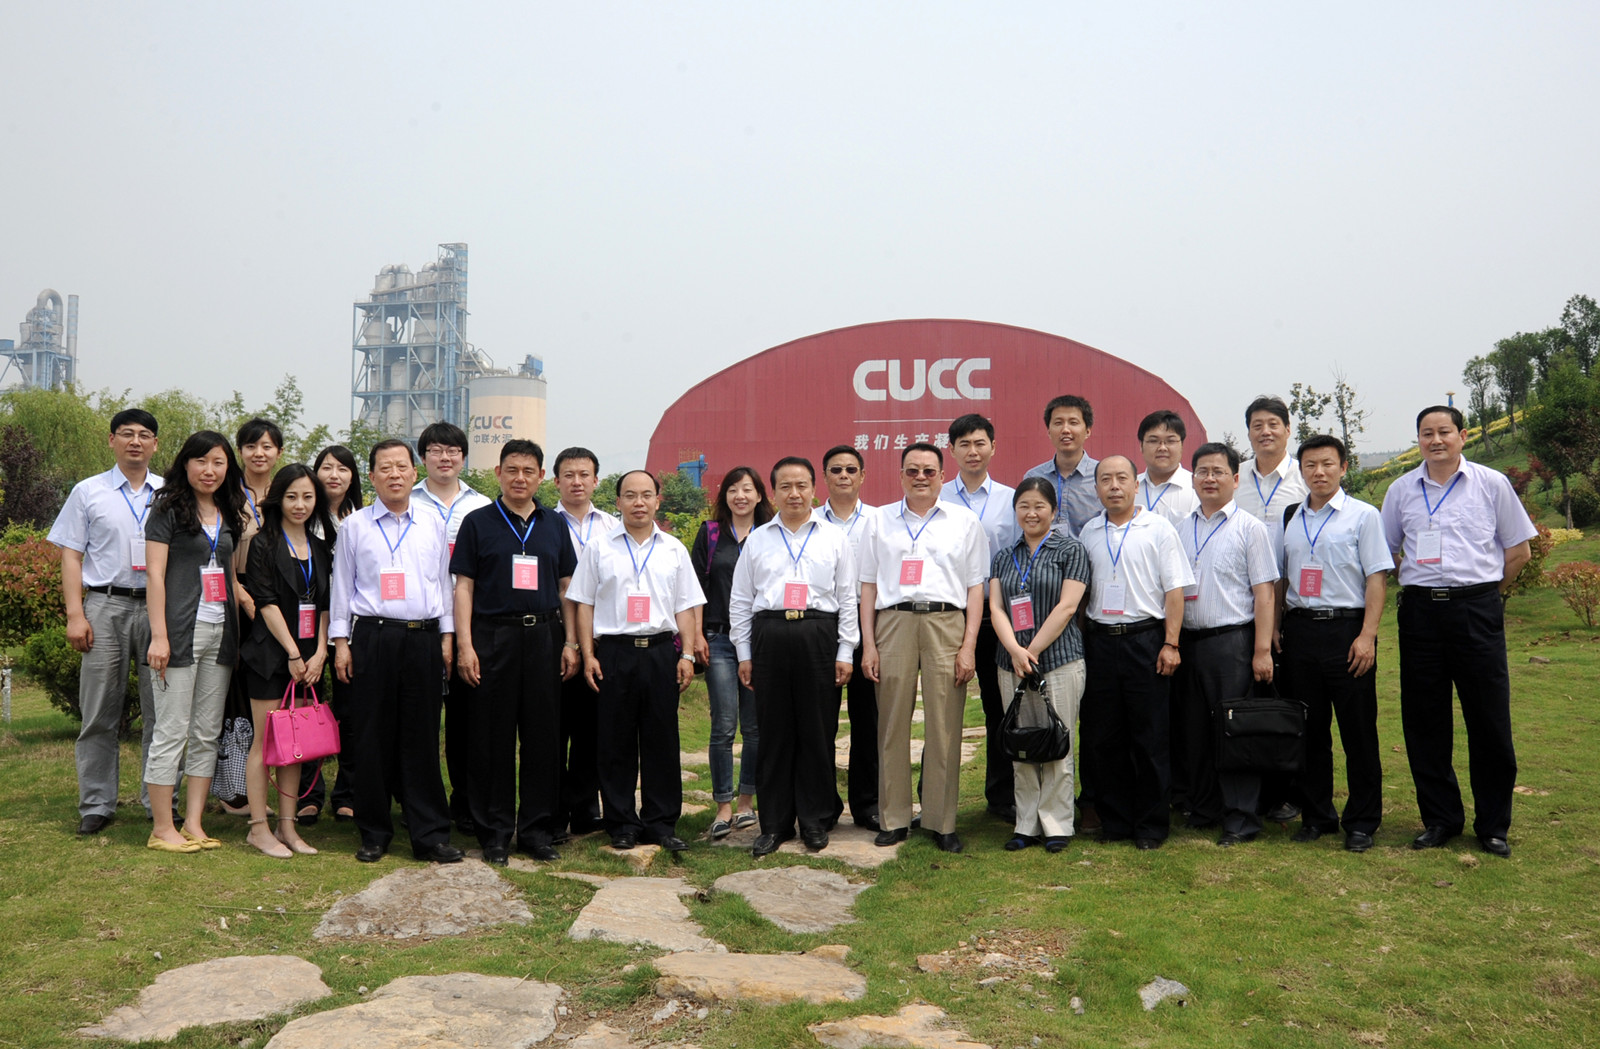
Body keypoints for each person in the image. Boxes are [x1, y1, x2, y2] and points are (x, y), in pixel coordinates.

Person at [1380, 406, 1535, 858]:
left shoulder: (1491, 484)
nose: (1435, 440)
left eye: (1444, 432)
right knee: (1424, 720)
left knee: (1488, 718)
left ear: (1462, 436)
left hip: (1476, 610)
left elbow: (1519, 551)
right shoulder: (1401, 490)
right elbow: (1387, 552)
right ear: (1418, 440)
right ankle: (1440, 819)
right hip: (1421, 615)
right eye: (1426, 433)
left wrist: (1485, 596)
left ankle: (1493, 825)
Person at [330, 439, 463, 865]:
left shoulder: (432, 523)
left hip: (423, 638)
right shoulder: (355, 527)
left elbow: (443, 583)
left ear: (413, 472)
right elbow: (341, 586)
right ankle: (374, 832)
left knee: (422, 736)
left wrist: (447, 636)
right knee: (372, 736)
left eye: (401, 467)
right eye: (385, 468)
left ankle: (430, 835)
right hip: (373, 636)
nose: (394, 475)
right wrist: (341, 643)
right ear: (371, 476)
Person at [452, 440, 579, 865]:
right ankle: (494, 833)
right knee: (492, 738)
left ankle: (537, 831)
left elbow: (566, 586)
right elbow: (464, 586)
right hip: (493, 638)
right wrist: (465, 645)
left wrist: (571, 642)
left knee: (543, 737)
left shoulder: (554, 524)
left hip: (544, 637)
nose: (519, 478)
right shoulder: (478, 522)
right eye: (512, 469)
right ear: (498, 473)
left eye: (528, 471)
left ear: (541, 476)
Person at [859, 443, 988, 853]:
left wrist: (969, 645)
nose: (920, 477)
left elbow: (975, 588)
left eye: (929, 471)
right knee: (892, 723)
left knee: (945, 725)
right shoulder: (879, 521)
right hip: (893, 621)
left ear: (942, 476)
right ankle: (893, 818)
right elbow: (867, 587)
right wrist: (869, 645)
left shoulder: (964, 522)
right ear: (900, 475)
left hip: (945, 622)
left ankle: (941, 820)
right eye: (912, 470)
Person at [568, 470, 705, 852]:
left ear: (657, 501)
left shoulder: (674, 549)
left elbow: (685, 606)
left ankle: (661, 823)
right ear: (618, 502)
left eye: (646, 495)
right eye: (630, 495)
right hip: (615, 652)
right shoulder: (599, 548)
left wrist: (687, 654)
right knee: (615, 741)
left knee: (662, 739)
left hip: (661, 652)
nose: (639, 502)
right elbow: (584, 604)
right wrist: (588, 654)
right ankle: (621, 823)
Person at [730, 457, 859, 856]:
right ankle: (775, 824)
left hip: (818, 635)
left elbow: (847, 598)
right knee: (773, 733)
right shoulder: (758, 539)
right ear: (773, 493)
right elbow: (740, 600)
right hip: (769, 636)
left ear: (813, 489)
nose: (794, 494)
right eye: (785, 486)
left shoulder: (834, 537)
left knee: (817, 731)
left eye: (801, 485)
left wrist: (845, 651)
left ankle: (816, 818)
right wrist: (744, 653)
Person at [49, 409, 164, 834]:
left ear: (155, 444)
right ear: (112, 440)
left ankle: (160, 803)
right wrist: (75, 614)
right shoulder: (88, 491)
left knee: (161, 713)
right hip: (104, 605)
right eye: (127, 434)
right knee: (99, 711)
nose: (136, 441)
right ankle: (96, 804)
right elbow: (71, 555)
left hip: (157, 610)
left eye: (145, 435)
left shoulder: (169, 493)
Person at [1278, 435, 1391, 853]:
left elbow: (1376, 578)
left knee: (1357, 731)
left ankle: (1361, 821)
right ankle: (1317, 816)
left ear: (1344, 467)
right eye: (1310, 465)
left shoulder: (1363, 516)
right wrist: (1276, 627)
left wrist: (1367, 635)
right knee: (1309, 730)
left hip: (1347, 631)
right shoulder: (1291, 516)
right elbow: (1283, 578)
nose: (1319, 472)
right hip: (1300, 631)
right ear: (1301, 471)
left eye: (1327, 464)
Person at [1079, 455, 1191, 849]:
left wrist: (1171, 643)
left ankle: (1151, 825)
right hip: (1100, 642)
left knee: (1150, 736)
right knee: (1104, 736)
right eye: (1105, 479)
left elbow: (1174, 591)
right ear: (1096, 488)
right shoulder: (1089, 532)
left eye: (1121, 478)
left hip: (1145, 639)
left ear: (1135, 484)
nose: (1114, 486)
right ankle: (1116, 822)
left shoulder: (1159, 529)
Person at [143, 431, 248, 852]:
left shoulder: (228, 511)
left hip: (220, 633)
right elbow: (154, 574)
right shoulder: (167, 509)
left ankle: (194, 823)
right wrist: (159, 636)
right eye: (201, 461)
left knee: (206, 732)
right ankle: (161, 829)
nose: (209, 470)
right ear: (185, 464)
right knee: (171, 730)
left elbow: (230, 576)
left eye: (218, 462)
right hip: (179, 633)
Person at [1172, 443, 1278, 846]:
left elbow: (1264, 593)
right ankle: (1204, 808)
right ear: (1193, 478)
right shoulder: (1180, 528)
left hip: (1231, 642)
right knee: (1194, 730)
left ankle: (1241, 817)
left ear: (1235, 479)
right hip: (1188, 642)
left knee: (1234, 731)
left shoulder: (1250, 528)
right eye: (1202, 471)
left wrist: (1262, 650)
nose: (1209, 479)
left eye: (1218, 471)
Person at [987, 477, 1090, 853]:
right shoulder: (1004, 555)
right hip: (1011, 664)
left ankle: (1057, 824)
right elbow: (996, 607)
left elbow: (1067, 606)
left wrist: (1031, 650)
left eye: (1039, 506)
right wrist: (1015, 651)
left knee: (1058, 741)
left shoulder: (1071, 550)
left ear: (1053, 510)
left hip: (1059, 660)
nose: (1031, 513)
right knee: (1022, 744)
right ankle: (1026, 824)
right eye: (1024, 506)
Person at [239, 464, 334, 858]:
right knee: (265, 744)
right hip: (271, 655)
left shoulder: (321, 547)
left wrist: (321, 651)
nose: (300, 504)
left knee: (296, 745)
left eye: (308, 497)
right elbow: (265, 602)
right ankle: (258, 829)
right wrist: (293, 653)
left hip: (310, 659)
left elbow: (326, 604)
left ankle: (288, 827)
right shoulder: (262, 543)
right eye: (292, 496)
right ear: (278, 499)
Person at [413, 421, 494, 836]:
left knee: (467, 722)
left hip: (470, 625)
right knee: (419, 720)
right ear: (422, 456)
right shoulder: (406, 501)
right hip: (420, 621)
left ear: (463, 458)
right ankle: (419, 804)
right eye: (436, 450)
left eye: (453, 451)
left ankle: (466, 803)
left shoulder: (482, 507)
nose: (444, 458)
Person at [939, 413, 1018, 824]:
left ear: (993, 447)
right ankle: (934, 800)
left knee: (998, 707)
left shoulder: (1011, 499)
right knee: (941, 712)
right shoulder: (936, 497)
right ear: (951, 450)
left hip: (996, 614)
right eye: (964, 444)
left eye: (980, 443)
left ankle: (1001, 796)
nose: (973, 451)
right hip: (948, 615)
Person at [692, 468, 770, 837]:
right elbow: (693, 589)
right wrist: (696, 636)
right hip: (719, 639)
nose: (740, 496)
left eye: (748, 489)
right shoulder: (710, 534)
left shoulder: (770, 533)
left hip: (760, 640)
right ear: (724, 496)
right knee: (723, 725)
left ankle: (746, 803)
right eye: (733, 489)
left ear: (759, 495)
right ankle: (723, 805)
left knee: (754, 727)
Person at [551, 446, 620, 838]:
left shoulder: (613, 526)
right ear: (555, 481)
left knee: (592, 729)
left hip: (600, 641)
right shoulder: (544, 523)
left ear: (596, 480)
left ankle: (583, 807)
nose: (576, 482)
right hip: (556, 638)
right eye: (569, 475)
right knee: (553, 728)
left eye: (584, 475)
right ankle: (553, 812)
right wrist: (569, 642)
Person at [812, 444, 881, 830]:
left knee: (868, 719)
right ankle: (823, 805)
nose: (843, 476)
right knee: (822, 719)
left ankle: (867, 803)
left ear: (862, 476)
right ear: (824, 477)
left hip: (870, 622)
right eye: (836, 470)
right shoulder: (810, 522)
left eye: (851, 470)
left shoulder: (879, 521)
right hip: (823, 625)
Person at [299, 444, 363, 824]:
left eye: (342, 468)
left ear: (353, 477)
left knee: (351, 714)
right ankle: (309, 793)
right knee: (307, 710)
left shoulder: (363, 519)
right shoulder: (303, 518)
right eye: (326, 467)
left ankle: (348, 793)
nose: (334, 475)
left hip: (351, 630)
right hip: (306, 628)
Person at [1024, 395, 1100, 537]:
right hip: (1044, 551)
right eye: (1058, 423)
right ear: (1049, 431)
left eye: (1073, 422)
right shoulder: (1034, 477)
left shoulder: (1102, 475)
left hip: (1089, 551)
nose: (1065, 430)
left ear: (1088, 431)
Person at [1234, 396, 1308, 533]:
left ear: (1288, 430)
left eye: (1273, 425)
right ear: (1249, 434)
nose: (1265, 432)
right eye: (1257, 426)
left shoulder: (1305, 476)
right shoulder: (1234, 476)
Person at [1135, 410, 1199, 530]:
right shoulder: (1129, 488)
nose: (1162, 448)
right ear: (1141, 445)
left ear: (1182, 445)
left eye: (1170, 441)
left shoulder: (1197, 488)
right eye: (1153, 441)